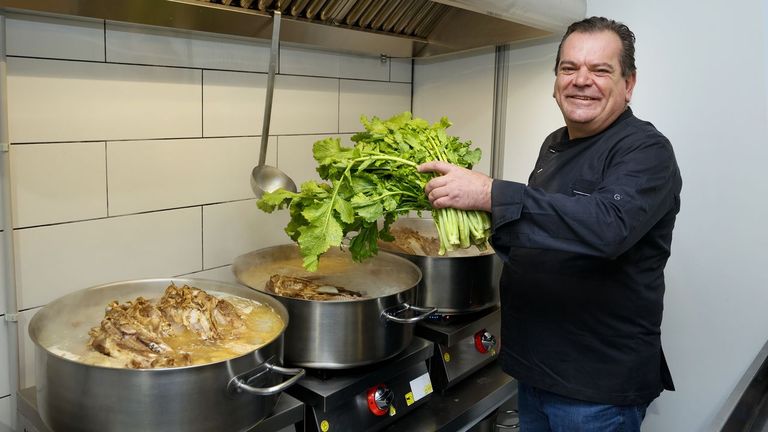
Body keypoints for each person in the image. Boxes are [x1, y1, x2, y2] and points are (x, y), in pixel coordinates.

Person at [418, 16, 681, 431]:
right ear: (556, 78)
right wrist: (475, 209)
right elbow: (546, 229)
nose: (581, 80)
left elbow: (608, 227)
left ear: (628, 84)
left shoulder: (646, 150)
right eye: (569, 68)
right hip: (534, 369)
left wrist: (490, 193)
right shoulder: (555, 144)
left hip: (594, 389)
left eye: (600, 70)